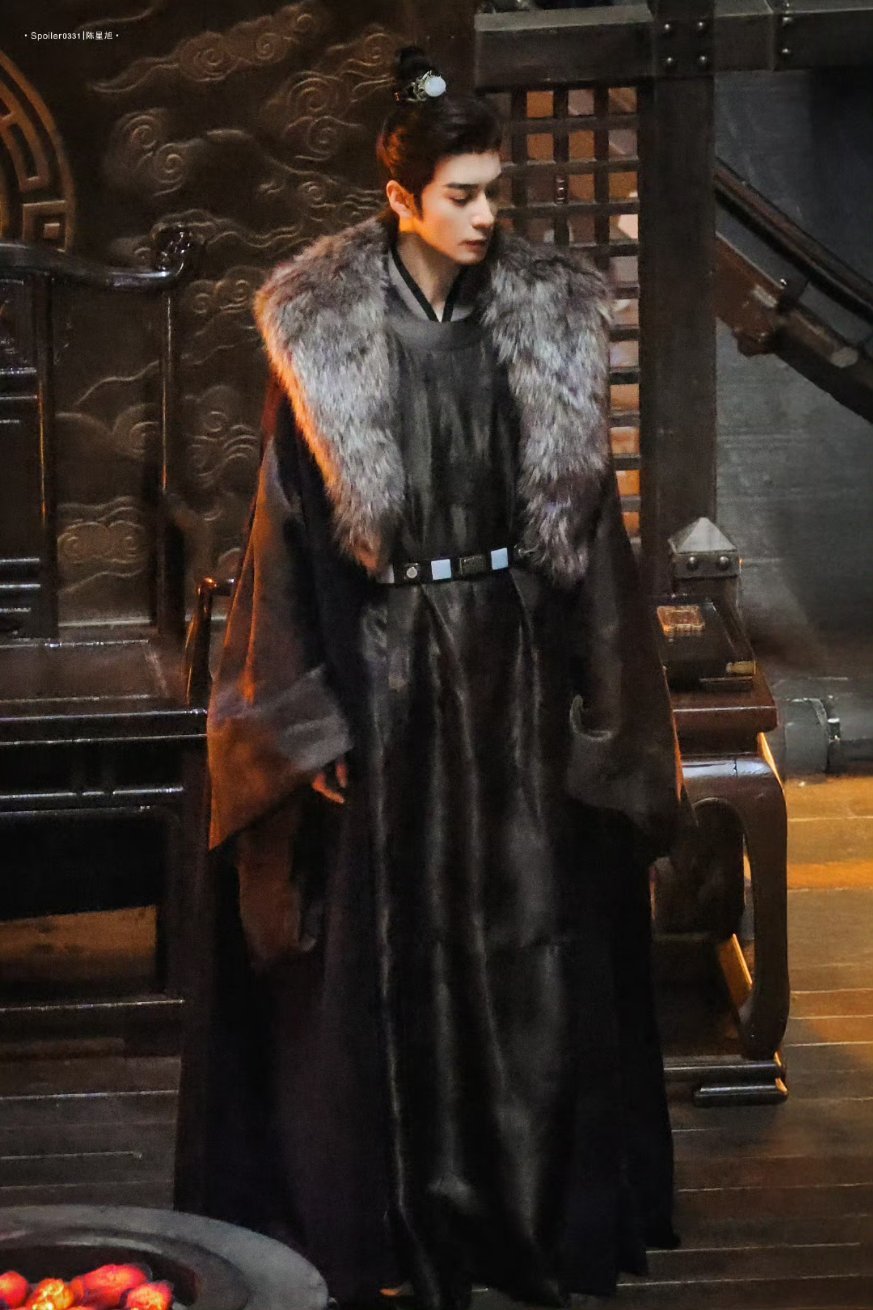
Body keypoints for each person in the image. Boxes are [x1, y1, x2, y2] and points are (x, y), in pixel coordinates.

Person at [206, 46, 682, 1310]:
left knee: (526, 939)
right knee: (399, 943)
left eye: (493, 192)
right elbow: (283, 539)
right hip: (390, 668)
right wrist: (306, 720)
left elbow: (591, 531)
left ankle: (528, 1216)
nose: (485, 216)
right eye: (461, 195)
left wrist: (603, 704)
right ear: (401, 198)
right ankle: (406, 1218)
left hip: (512, 666)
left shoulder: (540, 319)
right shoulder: (326, 337)